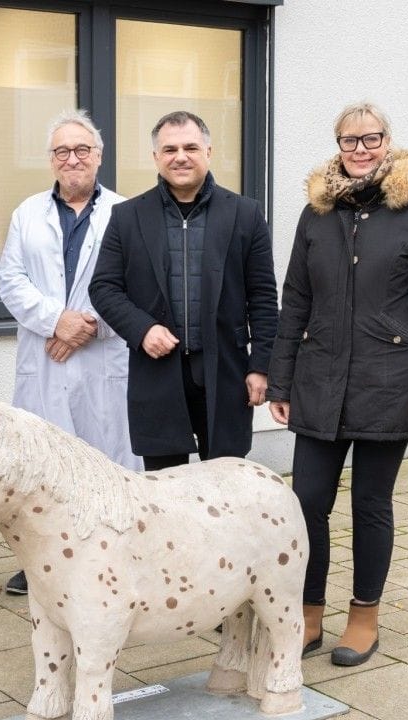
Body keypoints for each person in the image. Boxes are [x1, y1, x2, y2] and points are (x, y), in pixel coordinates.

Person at [267, 101, 408, 667]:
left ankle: (364, 617)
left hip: (388, 383)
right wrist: (281, 380)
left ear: (387, 141)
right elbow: (295, 299)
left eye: (370, 139)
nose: (360, 150)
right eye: (349, 141)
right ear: (337, 146)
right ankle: (307, 615)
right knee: (307, 503)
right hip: (320, 379)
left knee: (371, 504)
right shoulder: (317, 214)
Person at [0, 110, 141, 595]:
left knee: (106, 463)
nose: (73, 158)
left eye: (82, 150)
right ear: (51, 160)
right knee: (43, 465)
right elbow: (10, 281)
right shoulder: (27, 213)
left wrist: (85, 327)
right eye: (63, 151)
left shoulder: (126, 213)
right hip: (45, 358)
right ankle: (39, 562)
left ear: (99, 157)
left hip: (103, 361)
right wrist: (55, 320)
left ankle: (111, 558)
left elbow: (135, 287)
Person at [89, 111, 278, 470]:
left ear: (208, 151)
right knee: (164, 490)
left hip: (226, 373)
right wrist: (142, 329)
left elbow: (264, 299)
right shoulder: (127, 217)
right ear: (156, 157)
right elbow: (104, 288)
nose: (181, 156)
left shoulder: (246, 214)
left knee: (226, 487)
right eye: (170, 148)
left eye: (191, 147)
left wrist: (262, 366)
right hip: (157, 374)